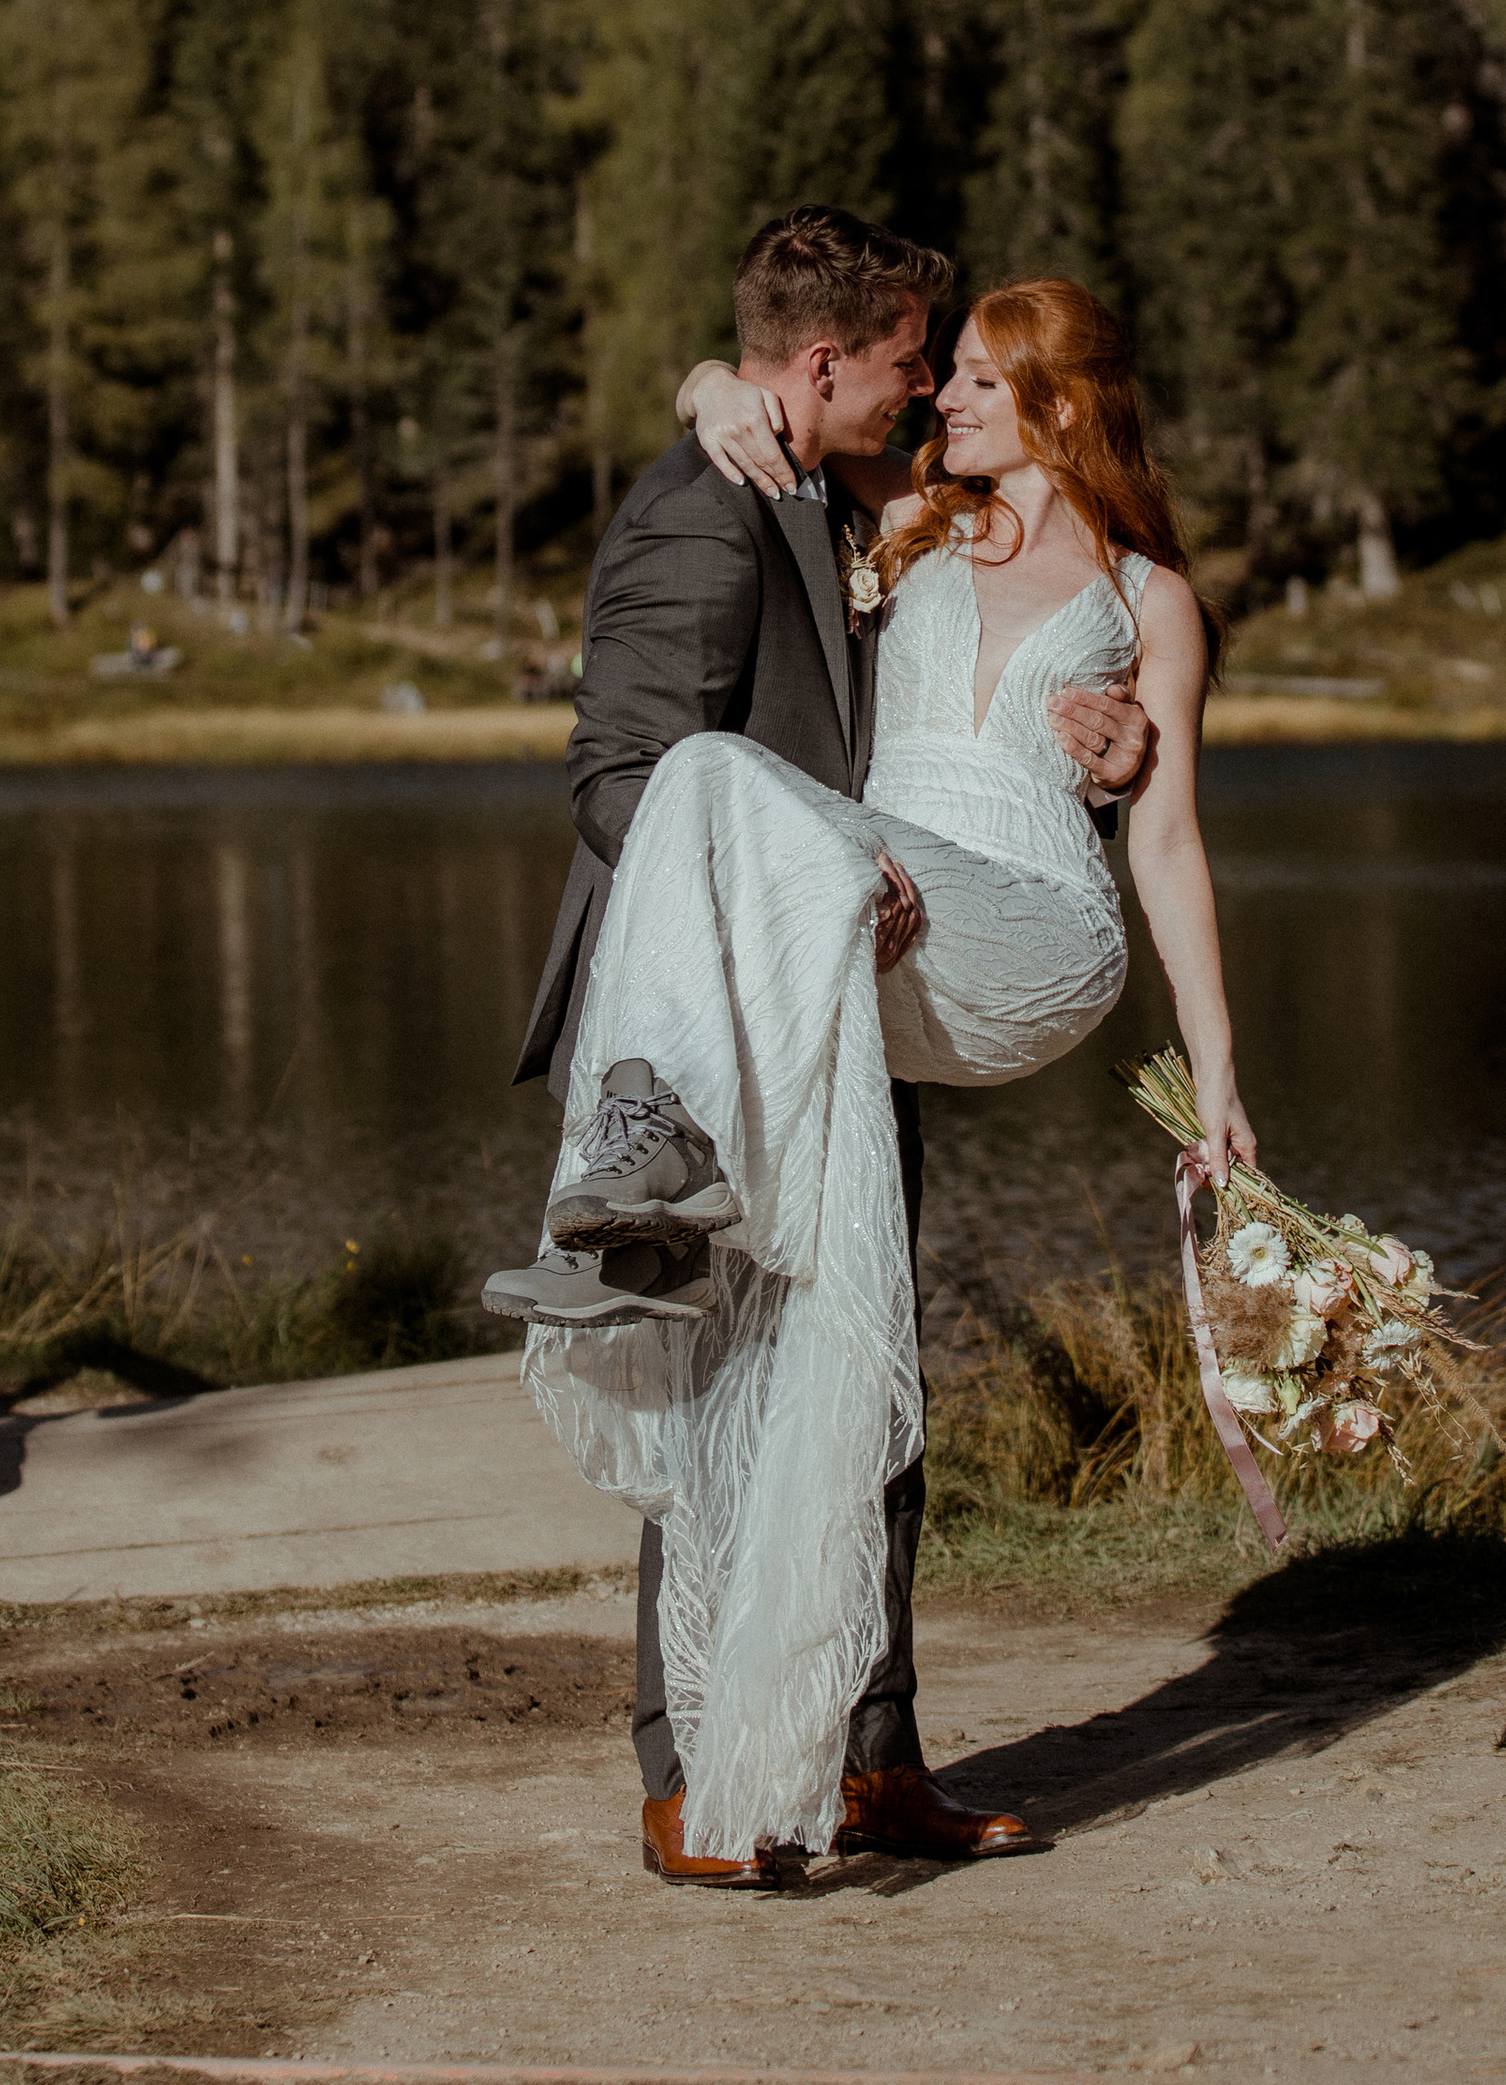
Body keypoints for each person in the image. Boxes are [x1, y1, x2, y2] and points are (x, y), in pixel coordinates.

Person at [486, 218, 1249, 1884]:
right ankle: (721, 1766)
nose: (936, 400)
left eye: (970, 377)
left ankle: (871, 1757)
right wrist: (704, 382)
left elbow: (1170, 837)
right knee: (775, 1360)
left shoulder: (1107, 588)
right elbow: (640, 745)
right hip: (815, 962)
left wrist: (1220, 1073)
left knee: (864, 1361)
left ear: (1053, 403)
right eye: (929, 367)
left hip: (979, 935)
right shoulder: (865, 518)